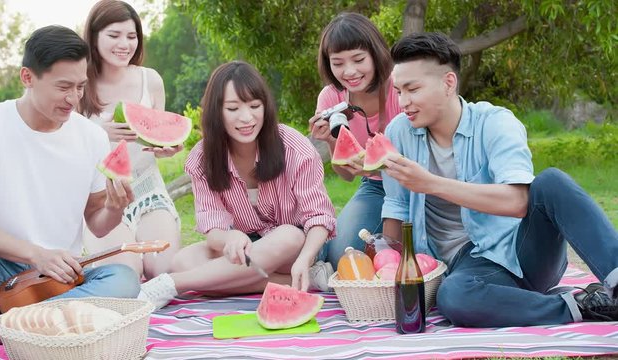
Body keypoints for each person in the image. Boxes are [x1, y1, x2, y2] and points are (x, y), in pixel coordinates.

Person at [381, 31, 618, 327]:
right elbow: (396, 207)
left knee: (551, 182)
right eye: (398, 91)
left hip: (522, 252)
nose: (403, 101)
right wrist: (382, 262)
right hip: (468, 268)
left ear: (448, 83)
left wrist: (430, 183)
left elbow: (518, 201)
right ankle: (581, 306)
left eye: (412, 89)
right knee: (453, 297)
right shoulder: (398, 132)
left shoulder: (495, 122)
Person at [0, 25, 140, 359]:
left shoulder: (92, 137)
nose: (74, 98)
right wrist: (35, 253)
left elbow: (97, 222)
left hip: (57, 282)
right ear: (27, 77)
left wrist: (115, 209)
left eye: (80, 86)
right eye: (63, 87)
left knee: (123, 279)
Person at [137, 61, 337, 309]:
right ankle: (288, 282)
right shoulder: (202, 158)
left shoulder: (294, 147)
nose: (246, 118)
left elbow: (320, 218)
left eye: (255, 106)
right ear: (216, 111)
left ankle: (174, 284)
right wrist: (230, 237)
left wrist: (305, 259)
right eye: (233, 108)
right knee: (183, 260)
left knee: (288, 237)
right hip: (246, 251)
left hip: (297, 250)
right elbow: (213, 228)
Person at [80, 0, 182, 279]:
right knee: (126, 275)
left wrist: (167, 147)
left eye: (131, 36)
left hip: (148, 191)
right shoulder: (79, 83)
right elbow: (60, 144)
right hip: (100, 199)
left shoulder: (151, 80)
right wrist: (99, 133)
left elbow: (157, 133)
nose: (124, 44)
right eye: (114, 35)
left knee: (165, 272)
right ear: (94, 37)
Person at [308, 12, 401, 270]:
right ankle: (314, 241)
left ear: (375, 54)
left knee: (412, 252)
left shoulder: (399, 87)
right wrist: (329, 140)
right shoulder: (330, 98)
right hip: (374, 187)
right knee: (341, 258)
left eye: (359, 59)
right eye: (338, 63)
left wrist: (383, 164)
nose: (349, 71)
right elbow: (346, 175)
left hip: (416, 185)